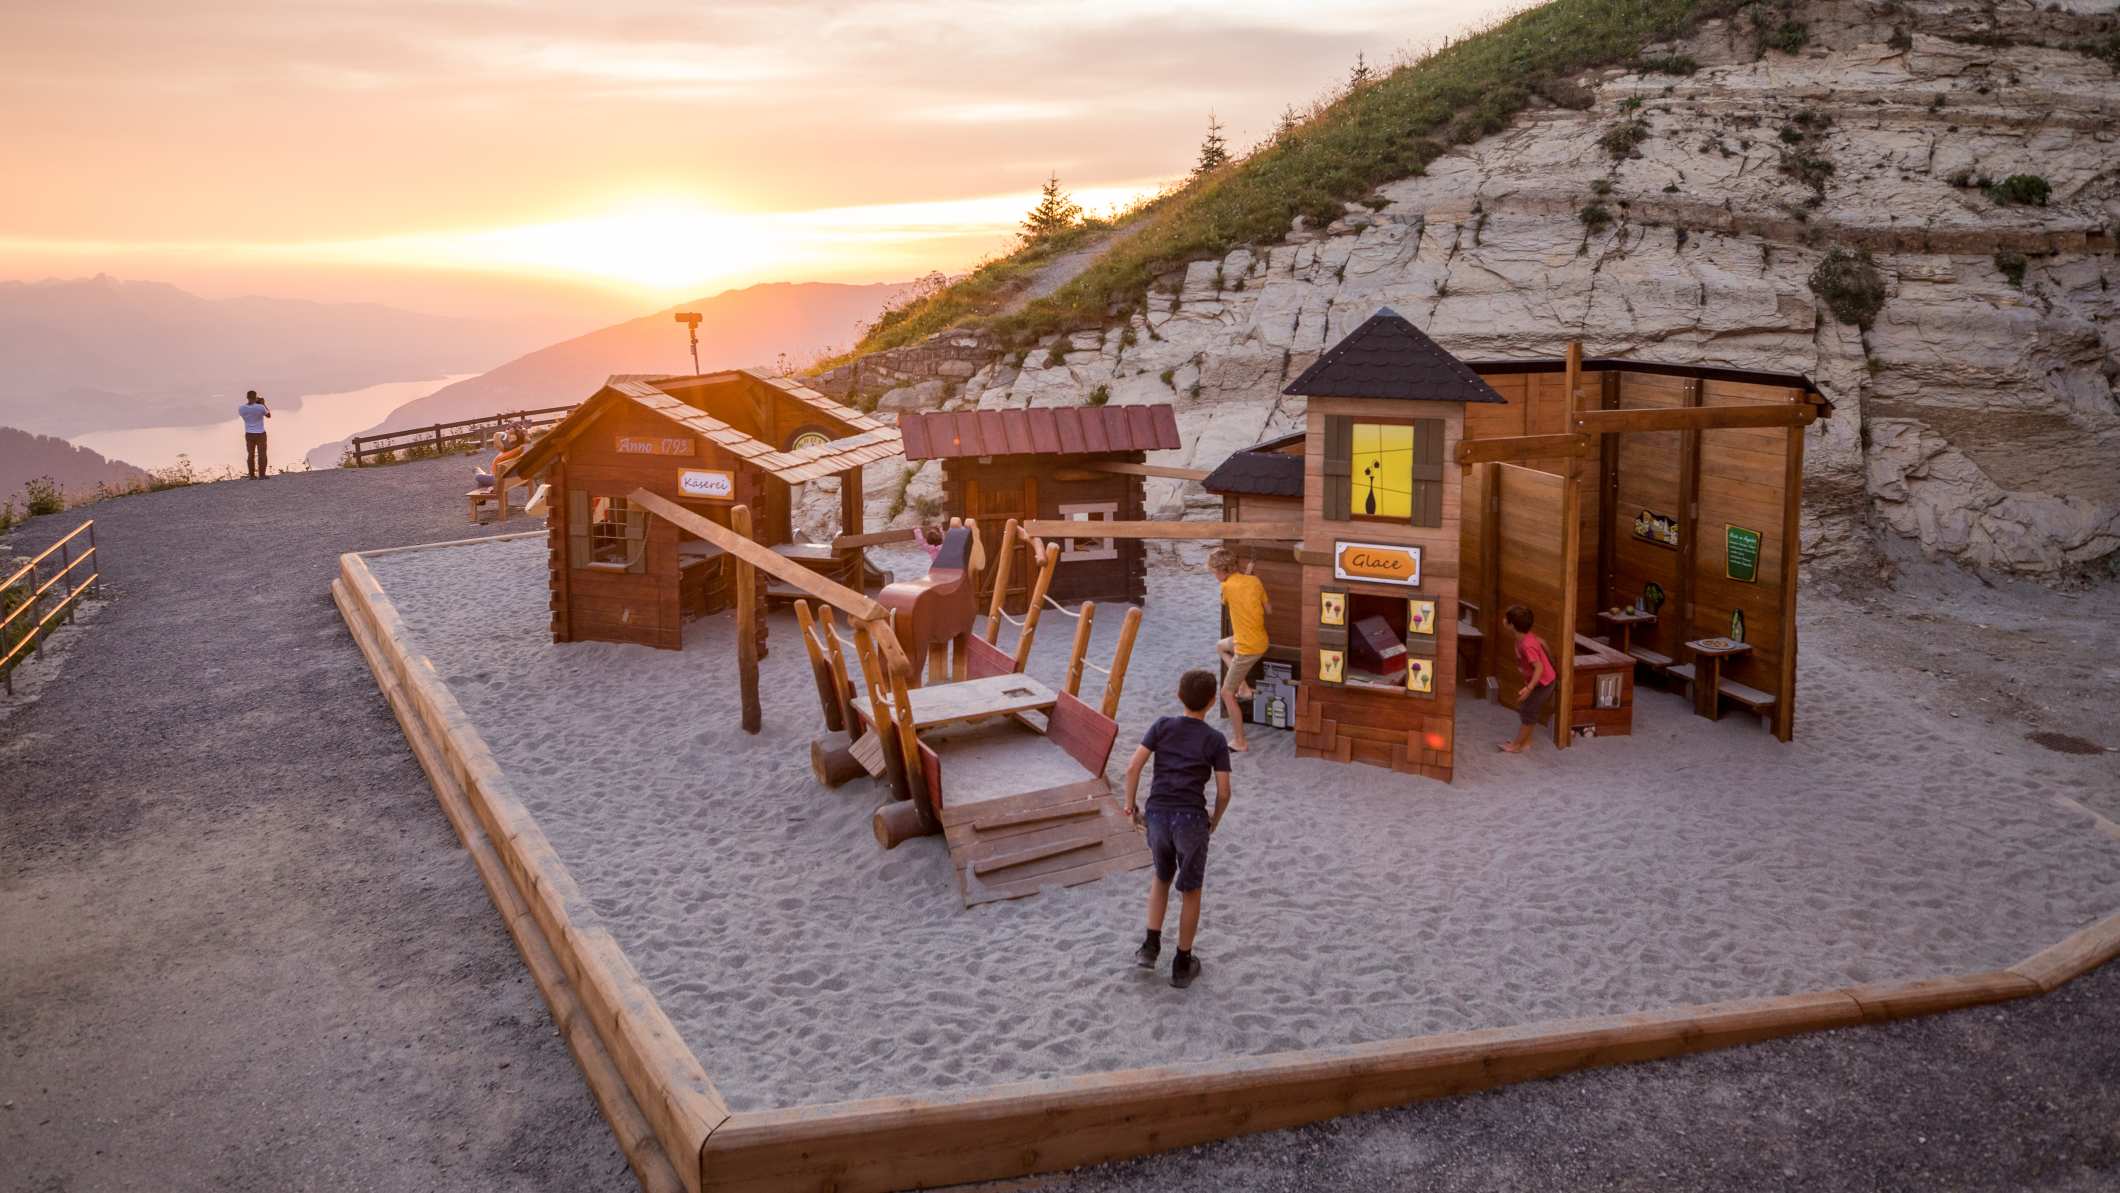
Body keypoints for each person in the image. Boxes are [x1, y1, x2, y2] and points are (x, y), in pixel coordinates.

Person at [1122, 669, 1233, 989]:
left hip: (1157, 814)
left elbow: (1133, 766)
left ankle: (1150, 946)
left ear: (1178, 695)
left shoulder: (1162, 726)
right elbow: (1224, 791)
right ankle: (1183, 962)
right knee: (1191, 889)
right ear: (1212, 702)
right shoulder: (1214, 739)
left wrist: (1130, 806)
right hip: (1190, 820)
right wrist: (1215, 819)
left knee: (1161, 877)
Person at [1208, 548, 1269, 753]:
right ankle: (1244, 688)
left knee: (1226, 693)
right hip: (1259, 640)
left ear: (1222, 570)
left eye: (1214, 573)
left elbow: (1228, 598)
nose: (1215, 577)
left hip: (1247, 648)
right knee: (1220, 646)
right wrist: (1249, 576)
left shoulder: (1226, 587)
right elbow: (1269, 609)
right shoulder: (1255, 581)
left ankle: (1240, 741)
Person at [1502, 603, 1557, 753]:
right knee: (1527, 709)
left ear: (1511, 624)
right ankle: (1526, 742)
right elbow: (1542, 642)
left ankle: (1516, 745)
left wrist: (1529, 688)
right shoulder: (1526, 637)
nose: (1503, 620)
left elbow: (1539, 668)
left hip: (1543, 683)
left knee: (1528, 712)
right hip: (1539, 682)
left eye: (1505, 619)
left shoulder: (1526, 645)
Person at [237, 390, 271, 478]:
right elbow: (268, 415)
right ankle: (262, 475)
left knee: (250, 454)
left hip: (249, 434)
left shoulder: (241, 408)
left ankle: (252, 476)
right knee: (262, 454)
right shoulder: (260, 407)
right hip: (260, 434)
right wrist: (263, 404)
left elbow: (246, 415)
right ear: (255, 397)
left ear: (247, 397)